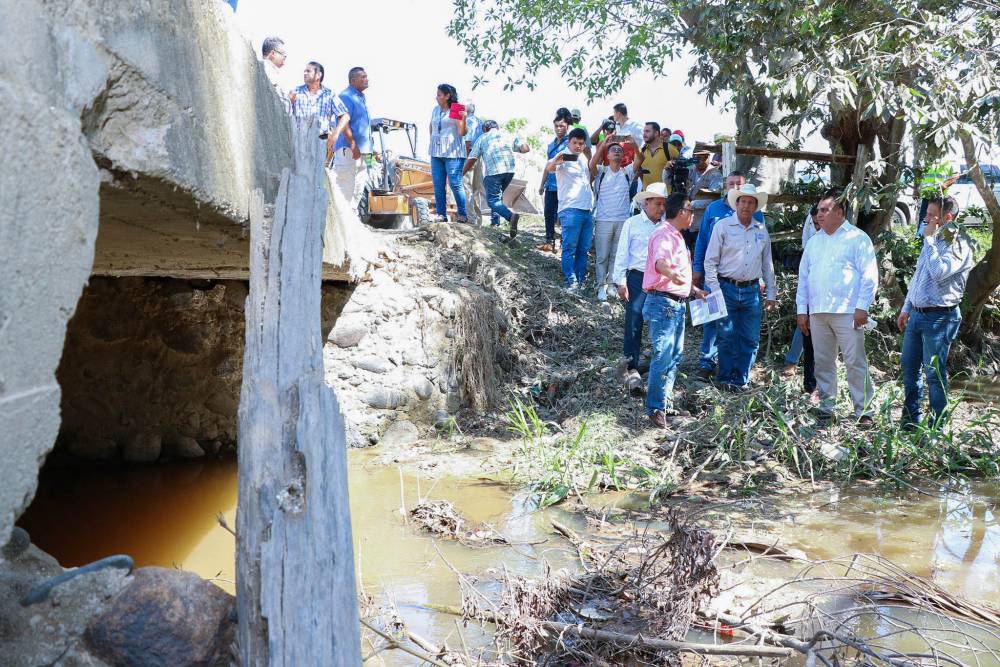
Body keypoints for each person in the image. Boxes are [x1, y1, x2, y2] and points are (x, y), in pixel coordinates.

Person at [796, 192, 879, 425]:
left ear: (840, 213)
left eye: (824, 210)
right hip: (818, 312)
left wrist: (862, 307)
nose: (818, 214)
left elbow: (869, 275)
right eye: (818, 210)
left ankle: (864, 411)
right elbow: (803, 278)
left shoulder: (857, 238)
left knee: (855, 361)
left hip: (848, 312)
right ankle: (826, 406)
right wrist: (802, 310)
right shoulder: (814, 242)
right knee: (822, 361)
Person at [897, 196, 973, 428]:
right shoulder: (934, 239)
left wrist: (929, 241)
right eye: (926, 214)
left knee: (934, 374)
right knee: (910, 370)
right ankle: (911, 422)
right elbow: (920, 276)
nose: (925, 219)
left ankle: (937, 427)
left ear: (947, 218)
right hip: (917, 315)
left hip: (940, 317)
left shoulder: (959, 244)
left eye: (931, 215)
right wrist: (906, 307)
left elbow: (940, 272)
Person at [703, 184, 777, 391]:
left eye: (750, 202)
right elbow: (710, 262)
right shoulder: (723, 226)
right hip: (726, 287)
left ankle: (741, 380)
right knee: (726, 336)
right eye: (743, 201)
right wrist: (715, 289)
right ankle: (725, 378)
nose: (746, 205)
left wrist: (771, 293)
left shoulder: (761, 231)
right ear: (736, 204)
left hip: (752, 291)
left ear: (755, 206)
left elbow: (767, 264)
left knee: (750, 338)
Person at [691, 171, 764, 380]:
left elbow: (759, 249)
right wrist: (698, 269)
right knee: (713, 319)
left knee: (736, 325)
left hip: (742, 281)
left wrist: (758, 279)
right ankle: (707, 362)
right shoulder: (714, 209)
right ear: (725, 186)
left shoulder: (756, 215)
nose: (734, 187)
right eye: (731, 183)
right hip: (714, 275)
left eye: (738, 184)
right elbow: (703, 240)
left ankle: (734, 368)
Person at [643, 193, 706, 427]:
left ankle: (665, 405)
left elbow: (675, 272)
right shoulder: (663, 234)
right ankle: (655, 408)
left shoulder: (677, 236)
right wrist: (672, 274)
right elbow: (660, 263)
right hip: (663, 304)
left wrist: (693, 289)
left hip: (675, 303)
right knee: (663, 354)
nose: (692, 217)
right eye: (691, 212)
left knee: (674, 355)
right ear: (682, 212)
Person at [612, 182, 668, 389]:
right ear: (646, 203)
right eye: (658, 204)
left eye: (663, 204)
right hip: (638, 277)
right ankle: (631, 364)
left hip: (661, 280)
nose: (661, 208)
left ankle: (658, 363)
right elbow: (622, 253)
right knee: (634, 320)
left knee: (660, 321)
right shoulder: (632, 223)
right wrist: (620, 281)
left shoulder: (666, 226)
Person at [590, 137, 641, 301]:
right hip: (603, 220)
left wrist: (635, 146)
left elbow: (640, 159)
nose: (617, 151)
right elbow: (591, 165)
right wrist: (602, 146)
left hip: (623, 221)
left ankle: (612, 285)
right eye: (613, 150)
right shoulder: (601, 171)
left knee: (616, 255)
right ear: (607, 155)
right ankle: (600, 286)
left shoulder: (627, 171)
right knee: (602, 256)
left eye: (620, 149)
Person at [544, 127, 594, 290]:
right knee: (569, 247)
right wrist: (554, 162)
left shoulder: (583, 159)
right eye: (575, 143)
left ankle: (579, 280)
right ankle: (570, 280)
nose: (578, 146)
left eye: (581, 143)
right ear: (569, 142)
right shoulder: (562, 156)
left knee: (583, 249)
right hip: (570, 209)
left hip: (587, 210)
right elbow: (549, 168)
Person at [464, 119, 530, 236]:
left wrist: (462, 173)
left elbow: (472, 158)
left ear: (485, 129)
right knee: (497, 199)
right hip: (510, 172)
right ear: (497, 127)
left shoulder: (482, 138)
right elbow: (525, 149)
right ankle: (501, 224)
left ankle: (511, 217)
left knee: (493, 201)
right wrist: (522, 141)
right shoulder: (507, 136)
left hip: (494, 173)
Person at [781, 207, 820, 397]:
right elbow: (806, 244)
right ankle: (795, 365)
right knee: (804, 323)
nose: (819, 220)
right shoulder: (811, 219)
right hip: (812, 277)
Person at [292, 61, 349, 164]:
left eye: (308, 71)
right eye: (304, 71)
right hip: (299, 142)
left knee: (316, 177)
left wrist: (336, 133)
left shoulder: (329, 95)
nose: (304, 73)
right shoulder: (296, 92)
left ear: (318, 75)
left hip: (320, 143)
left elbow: (345, 116)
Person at [332, 67, 372, 209]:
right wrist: (353, 144)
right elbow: (343, 122)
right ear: (353, 80)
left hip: (364, 153)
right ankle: (341, 227)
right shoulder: (346, 96)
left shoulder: (361, 98)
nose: (367, 79)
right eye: (363, 77)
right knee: (345, 190)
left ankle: (351, 225)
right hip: (349, 150)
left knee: (358, 190)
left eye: (366, 76)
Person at [429, 84, 468, 223]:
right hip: (436, 152)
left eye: (439, 95)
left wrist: (463, 119)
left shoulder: (456, 109)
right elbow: (431, 126)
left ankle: (462, 214)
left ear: (447, 96)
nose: (436, 97)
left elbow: (462, 132)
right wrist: (433, 141)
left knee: (455, 183)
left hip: (453, 152)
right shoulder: (435, 110)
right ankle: (441, 214)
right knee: (438, 184)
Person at [537, 109, 571, 252]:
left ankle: (564, 244)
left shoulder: (571, 143)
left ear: (567, 126)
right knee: (548, 214)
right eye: (556, 125)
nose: (558, 128)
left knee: (563, 216)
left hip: (564, 186)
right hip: (550, 185)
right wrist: (542, 184)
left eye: (561, 126)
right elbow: (547, 166)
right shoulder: (551, 145)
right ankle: (549, 242)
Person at [685, 149, 722, 251]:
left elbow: (715, 198)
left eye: (703, 157)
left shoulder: (715, 174)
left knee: (701, 254)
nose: (699, 160)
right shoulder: (690, 170)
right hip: (686, 222)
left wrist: (692, 204)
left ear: (708, 157)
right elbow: (672, 183)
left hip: (702, 223)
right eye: (696, 157)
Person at [462, 102, 485, 224]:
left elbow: (468, 141)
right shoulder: (480, 121)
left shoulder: (468, 121)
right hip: (478, 157)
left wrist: (466, 157)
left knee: (467, 187)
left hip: (469, 155)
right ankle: (479, 220)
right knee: (476, 189)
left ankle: (471, 219)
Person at [261, 37, 290, 111]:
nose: (285, 56)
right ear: (273, 53)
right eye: (283, 53)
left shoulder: (273, 71)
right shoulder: (265, 69)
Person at [638, 122, 669, 190]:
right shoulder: (642, 150)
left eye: (647, 131)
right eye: (644, 131)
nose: (644, 134)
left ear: (656, 133)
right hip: (646, 193)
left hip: (663, 194)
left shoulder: (670, 150)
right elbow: (638, 171)